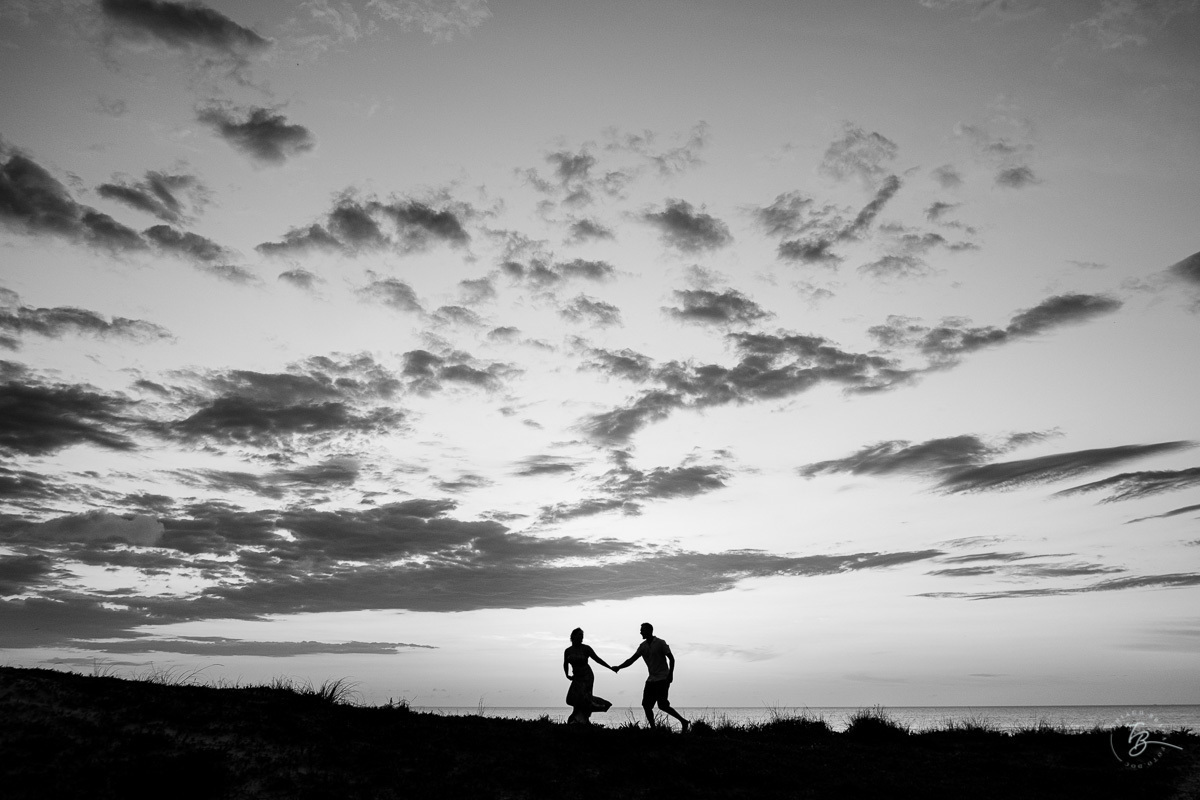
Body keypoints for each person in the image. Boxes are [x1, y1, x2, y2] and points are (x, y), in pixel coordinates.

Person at [613, 622, 689, 732]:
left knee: (663, 705)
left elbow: (671, 659)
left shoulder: (660, 643)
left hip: (663, 678)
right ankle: (653, 729)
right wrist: (619, 667)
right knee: (646, 705)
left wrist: (671, 674)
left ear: (649, 631)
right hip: (651, 679)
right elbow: (631, 660)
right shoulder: (642, 646)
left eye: (642, 630)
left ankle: (683, 722)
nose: (640, 632)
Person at [562, 627, 614, 725]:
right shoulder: (568, 651)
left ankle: (580, 718)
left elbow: (597, 659)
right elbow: (565, 663)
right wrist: (567, 675)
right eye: (579, 635)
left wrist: (610, 667)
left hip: (587, 676)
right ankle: (584, 715)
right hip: (576, 677)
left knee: (583, 698)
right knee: (572, 698)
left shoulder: (586, 648)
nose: (581, 638)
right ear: (573, 636)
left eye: (582, 636)